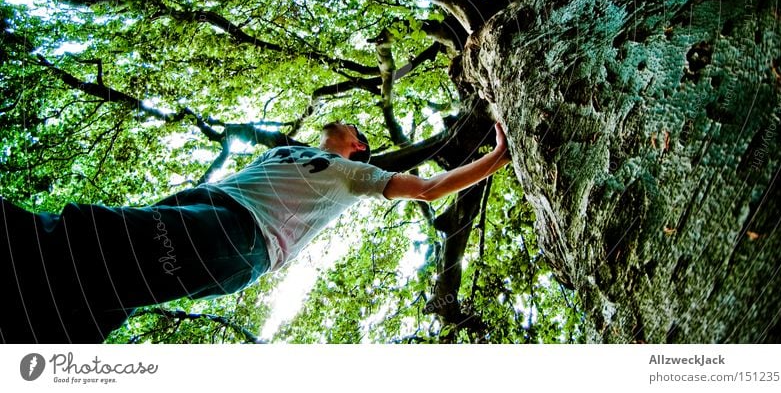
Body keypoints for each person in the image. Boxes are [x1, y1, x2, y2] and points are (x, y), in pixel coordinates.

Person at [0, 120, 511, 343]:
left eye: (356, 131)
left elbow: (428, 188)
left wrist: (497, 157)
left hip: (235, 234)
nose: (346, 127)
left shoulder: (353, 175)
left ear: (357, 147)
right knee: (95, 296)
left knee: (83, 239)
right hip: (208, 218)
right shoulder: (293, 153)